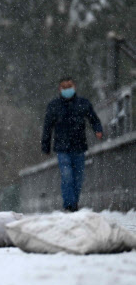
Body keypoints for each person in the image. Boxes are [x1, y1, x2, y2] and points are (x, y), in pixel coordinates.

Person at [41, 76, 103, 212]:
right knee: (67, 175)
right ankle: (70, 204)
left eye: (69, 86)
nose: (67, 89)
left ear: (74, 87)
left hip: (79, 146)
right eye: (64, 87)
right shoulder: (54, 106)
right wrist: (45, 146)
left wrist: (98, 130)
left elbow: (93, 118)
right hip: (62, 148)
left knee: (78, 178)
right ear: (59, 89)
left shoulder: (83, 103)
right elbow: (47, 127)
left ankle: (73, 202)